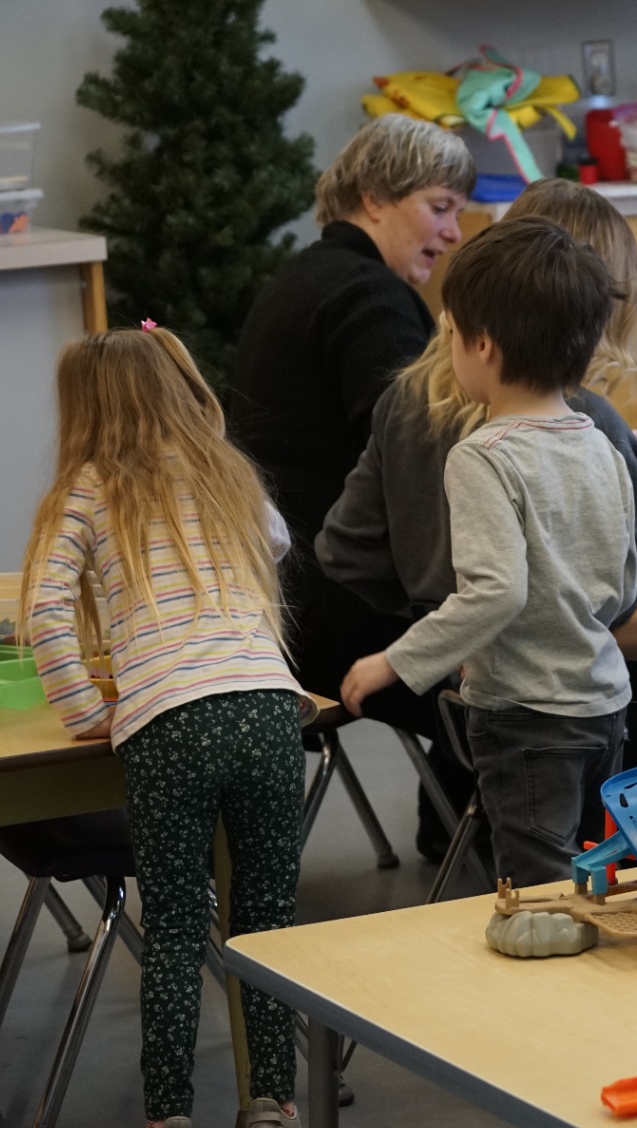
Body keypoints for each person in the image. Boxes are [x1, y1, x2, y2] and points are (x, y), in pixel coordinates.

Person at [21, 327, 309, 1128]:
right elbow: (279, 544)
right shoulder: (226, 470)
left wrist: (89, 712)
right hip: (267, 705)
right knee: (263, 923)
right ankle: (274, 1117)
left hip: (165, 721)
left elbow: (42, 616)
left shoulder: (83, 490)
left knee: (178, 929)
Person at [316, 178, 637, 667]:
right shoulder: (592, 423)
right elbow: (616, 624)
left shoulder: (406, 398)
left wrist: (438, 626)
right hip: (557, 705)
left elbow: (345, 551)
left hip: (448, 689)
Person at [339, 217, 637, 897]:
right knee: (598, 884)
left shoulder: (483, 455)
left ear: (481, 344)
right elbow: (620, 587)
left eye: (449, 335)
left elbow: (494, 592)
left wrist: (393, 661)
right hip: (604, 702)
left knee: (537, 895)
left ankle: (545, 1003)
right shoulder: (600, 442)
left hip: (528, 715)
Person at [229, 114, 478, 857]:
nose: (454, 232)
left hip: (282, 597)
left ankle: (453, 826)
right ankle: (489, 837)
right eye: (440, 207)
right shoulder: (369, 300)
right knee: (525, 658)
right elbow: (426, 461)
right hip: (330, 608)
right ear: (375, 198)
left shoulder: (305, 277)